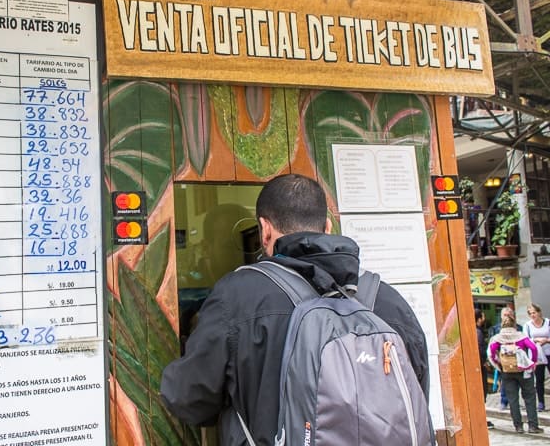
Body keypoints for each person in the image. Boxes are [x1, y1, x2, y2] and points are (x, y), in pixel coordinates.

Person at [160, 174, 429, 445]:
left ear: (264, 230)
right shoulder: (386, 299)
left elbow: (189, 398)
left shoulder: (237, 296)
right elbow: (417, 396)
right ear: (327, 226)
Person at [488, 314, 543, 434]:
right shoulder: (521, 336)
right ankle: (533, 426)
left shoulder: (497, 338)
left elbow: (491, 352)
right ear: (514, 325)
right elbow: (533, 348)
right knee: (529, 397)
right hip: (523, 371)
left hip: (507, 371)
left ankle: (518, 426)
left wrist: (499, 364)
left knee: (512, 399)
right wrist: (532, 362)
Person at [491, 306, 521, 409]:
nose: (507, 317)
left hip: (517, 359)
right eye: (505, 315)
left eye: (509, 315)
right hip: (503, 360)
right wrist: (496, 360)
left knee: (516, 382)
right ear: (501, 317)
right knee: (504, 381)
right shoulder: (496, 329)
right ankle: (504, 401)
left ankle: (514, 402)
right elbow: (492, 347)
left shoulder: (519, 328)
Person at [524, 303, 550, 411]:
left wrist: (546, 340)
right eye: (530, 313)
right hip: (537, 355)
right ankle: (541, 403)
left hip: (548, 352)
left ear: (539, 312)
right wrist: (535, 340)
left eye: (534, 312)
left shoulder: (548, 322)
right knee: (539, 379)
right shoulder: (528, 325)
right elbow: (526, 339)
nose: (533, 315)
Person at [475, 309, 494, 429]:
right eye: (483, 316)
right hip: (479, 367)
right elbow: (481, 351)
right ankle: (481, 418)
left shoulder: (473, 330)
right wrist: (485, 363)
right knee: (481, 392)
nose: (484, 318)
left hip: (477, 366)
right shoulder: (478, 333)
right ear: (479, 318)